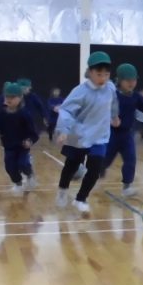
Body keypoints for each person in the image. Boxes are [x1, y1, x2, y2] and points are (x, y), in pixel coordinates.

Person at [54, 51, 120, 214]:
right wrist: (63, 131)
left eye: (106, 74)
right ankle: (62, 191)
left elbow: (113, 103)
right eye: (99, 74)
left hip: (99, 136)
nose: (103, 78)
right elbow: (66, 111)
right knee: (70, 166)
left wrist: (114, 116)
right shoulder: (80, 91)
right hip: (77, 134)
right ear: (90, 72)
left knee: (95, 169)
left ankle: (81, 199)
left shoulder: (110, 87)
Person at [102, 64, 143, 197]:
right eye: (128, 80)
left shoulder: (135, 96)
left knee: (130, 159)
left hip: (127, 134)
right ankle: (97, 171)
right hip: (111, 134)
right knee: (105, 160)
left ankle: (127, 186)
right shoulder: (110, 94)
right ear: (119, 80)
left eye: (134, 80)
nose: (131, 83)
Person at [0, 81, 39, 194]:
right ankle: (18, 183)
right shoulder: (1, 115)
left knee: (23, 164)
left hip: (22, 147)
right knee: (9, 167)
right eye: (7, 96)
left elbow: (34, 133)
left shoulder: (25, 114)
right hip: (8, 147)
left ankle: (30, 175)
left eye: (12, 97)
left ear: (20, 98)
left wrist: (30, 140)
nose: (9, 99)